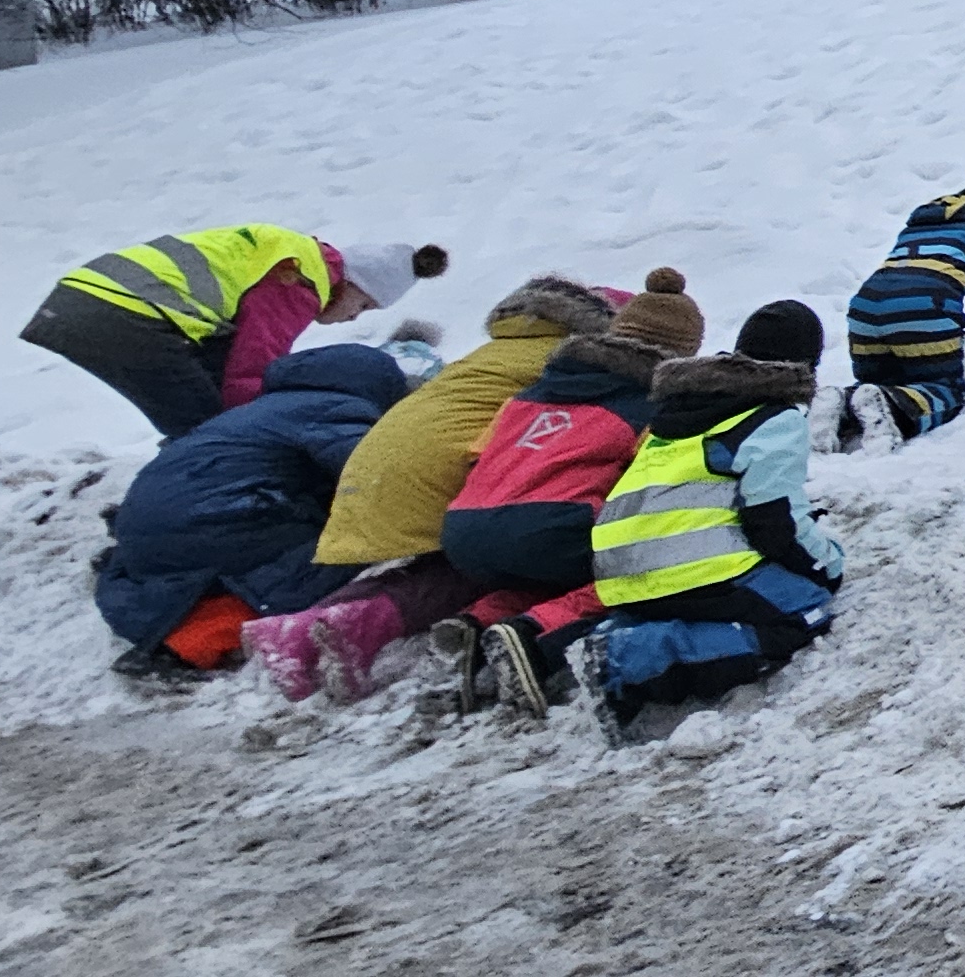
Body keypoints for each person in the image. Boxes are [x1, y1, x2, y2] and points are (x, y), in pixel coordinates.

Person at [266, 274, 666, 700]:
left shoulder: (500, 350)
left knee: (468, 551)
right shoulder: (573, 365)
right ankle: (344, 627)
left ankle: (310, 623)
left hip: (376, 464)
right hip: (445, 470)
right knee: (487, 563)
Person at [436, 285, 740, 717]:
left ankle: (481, 621)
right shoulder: (650, 405)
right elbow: (653, 479)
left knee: (542, 575)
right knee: (633, 572)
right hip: (553, 525)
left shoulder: (531, 393)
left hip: (464, 529)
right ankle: (532, 636)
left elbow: (476, 457)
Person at [573, 304, 841, 742]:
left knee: (697, 599)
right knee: (804, 612)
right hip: (690, 568)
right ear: (806, 365)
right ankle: (624, 655)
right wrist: (827, 563)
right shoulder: (775, 418)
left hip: (620, 572)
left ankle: (614, 634)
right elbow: (774, 522)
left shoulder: (676, 413)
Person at [96, 343, 412, 682]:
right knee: (350, 546)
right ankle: (200, 638)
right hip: (216, 522)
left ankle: (185, 608)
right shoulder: (337, 408)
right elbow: (373, 471)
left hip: (147, 531)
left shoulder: (259, 410)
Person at [23, 227, 445, 439]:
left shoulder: (289, 251)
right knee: (211, 432)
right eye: (365, 305)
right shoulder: (301, 278)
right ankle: (169, 513)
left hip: (85, 300)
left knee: (201, 414)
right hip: (126, 315)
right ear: (355, 284)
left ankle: (167, 500)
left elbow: (227, 359)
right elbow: (250, 369)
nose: (356, 318)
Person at [826, 173, 965, 452]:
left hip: (865, 308)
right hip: (923, 307)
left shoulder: (917, 227)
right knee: (944, 391)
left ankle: (838, 405)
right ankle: (895, 412)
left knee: (876, 385)